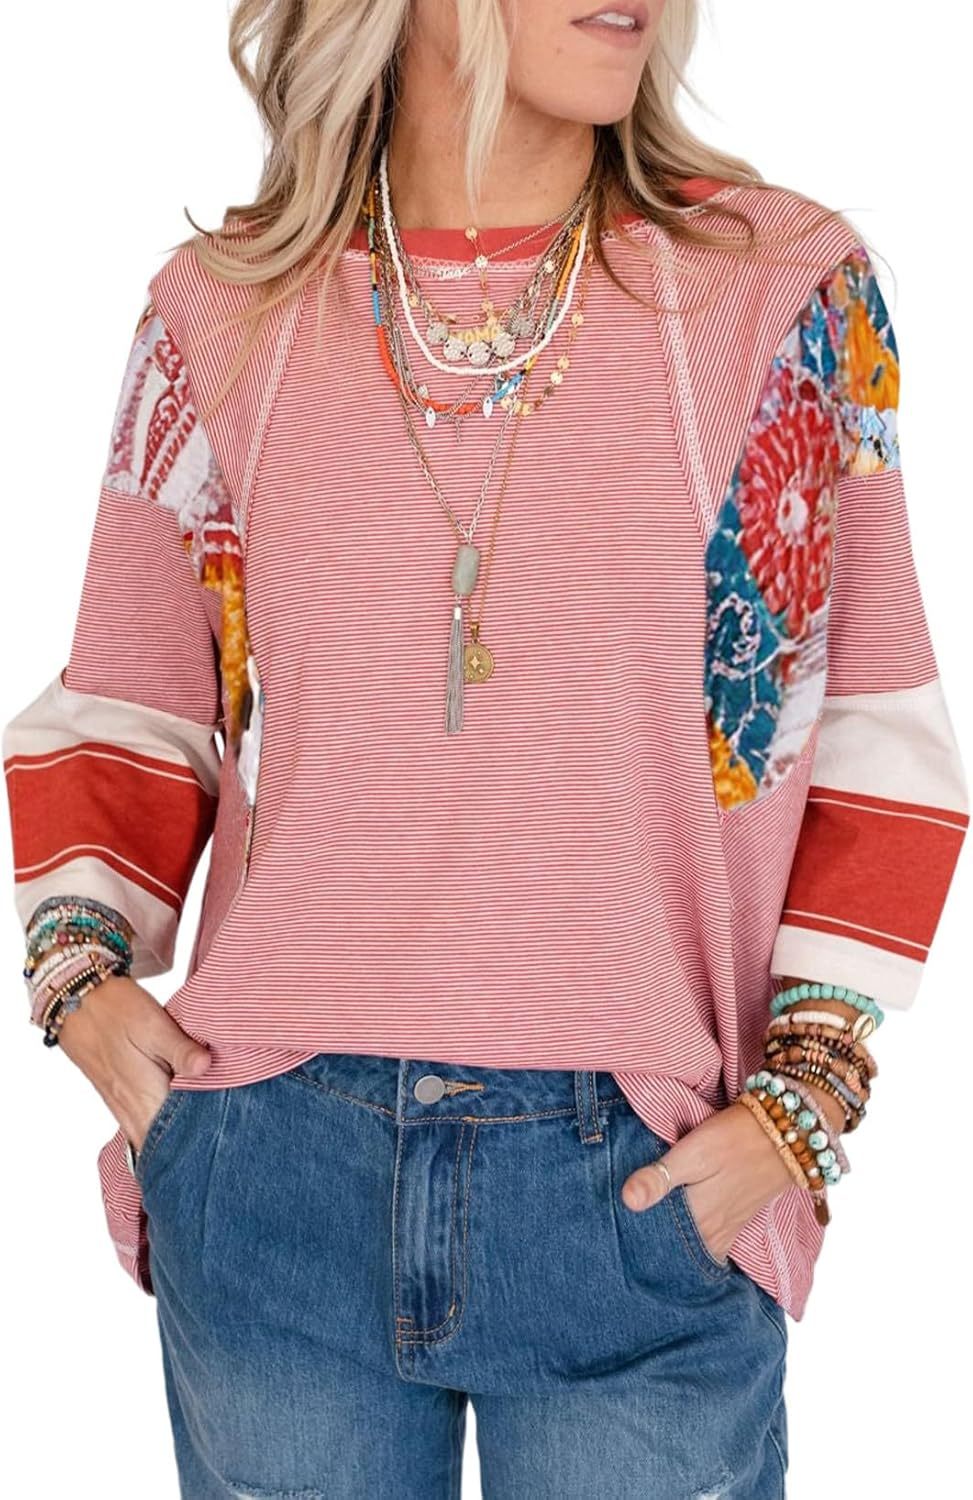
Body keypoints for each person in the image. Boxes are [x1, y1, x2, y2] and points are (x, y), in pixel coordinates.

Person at [3, 2, 968, 1495]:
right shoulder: (225, 310)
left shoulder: (773, 292)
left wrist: (808, 1094)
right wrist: (79, 979)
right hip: (275, 1163)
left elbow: (863, 718)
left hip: (637, 1176)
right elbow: (135, 695)